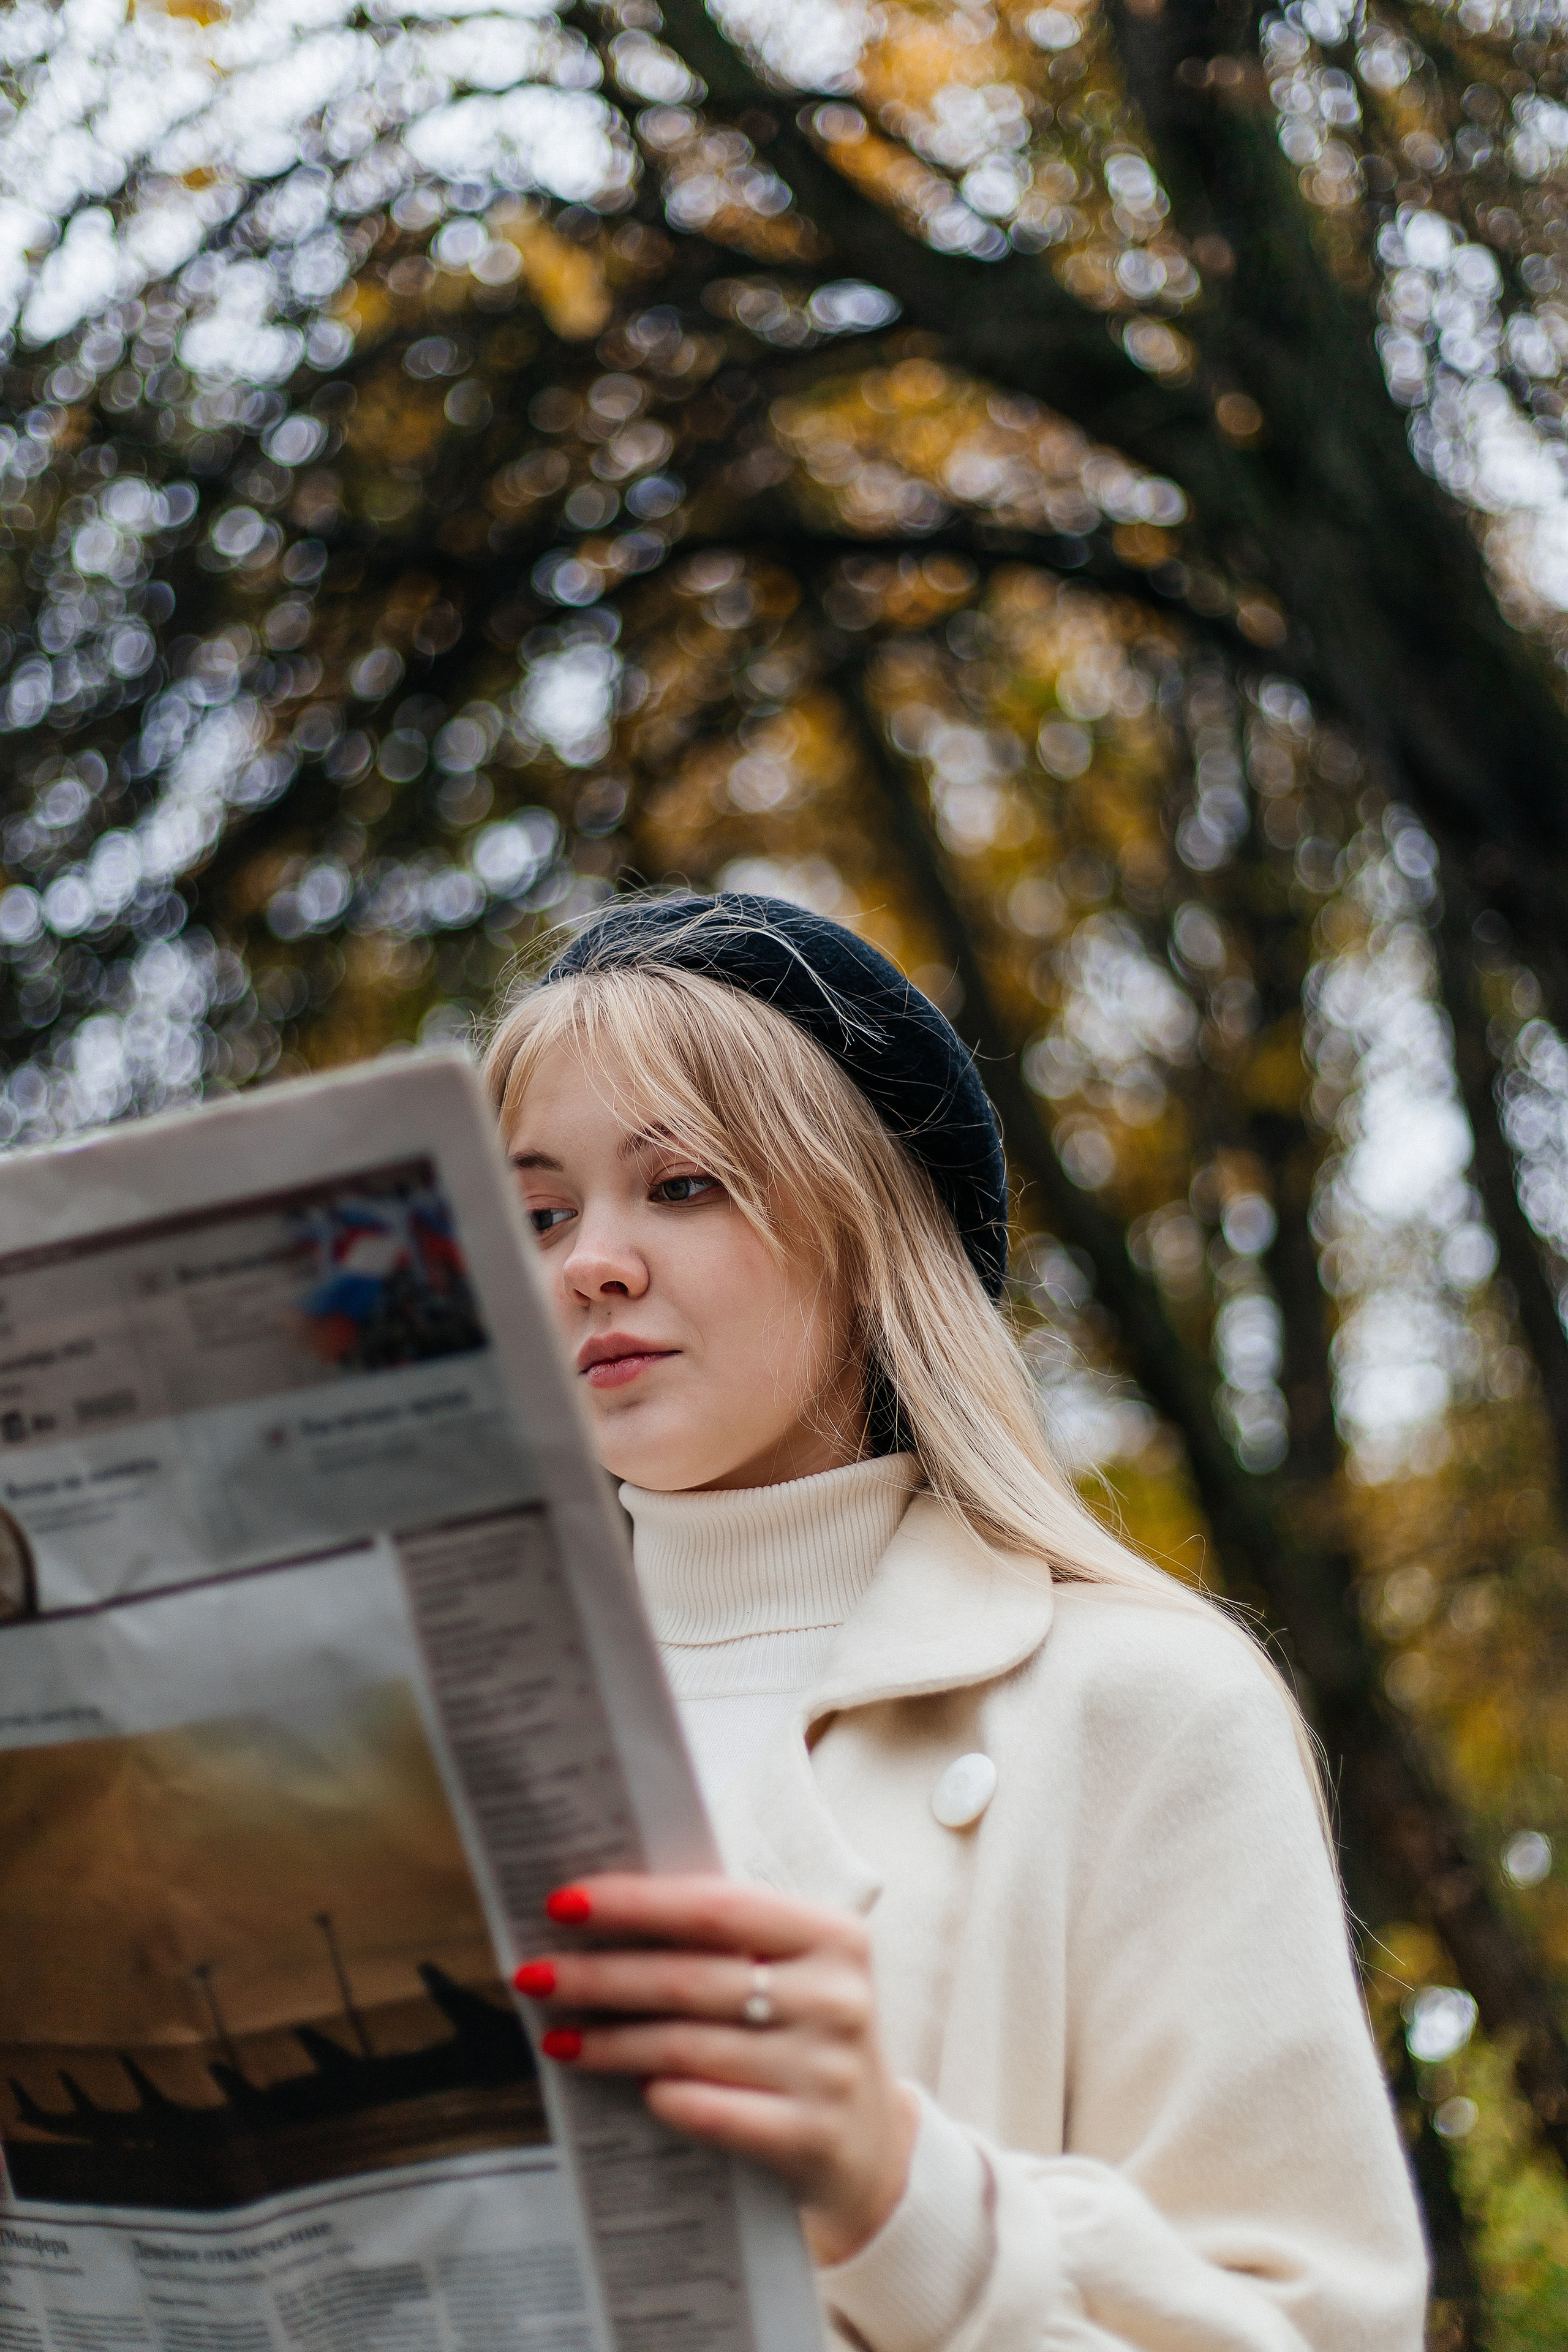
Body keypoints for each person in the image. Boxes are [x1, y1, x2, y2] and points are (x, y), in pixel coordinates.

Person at [483, 892, 1427, 2352]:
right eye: (536, 1213)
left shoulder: (1143, 1701)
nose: (587, 1262)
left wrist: (900, 2207)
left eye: (681, 1186)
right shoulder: (441, 1725)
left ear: (870, 1233)